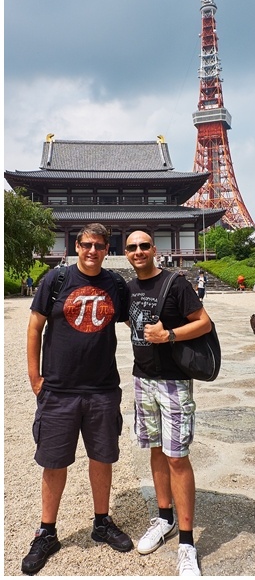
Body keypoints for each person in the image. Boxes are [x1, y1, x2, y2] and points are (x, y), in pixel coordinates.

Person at [23, 223, 133, 575]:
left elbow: (138, 323)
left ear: (107, 249)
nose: (92, 251)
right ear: (76, 246)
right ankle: (47, 531)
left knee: (102, 457)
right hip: (59, 388)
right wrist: (34, 376)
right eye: (86, 244)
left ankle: (101, 522)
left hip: (102, 388)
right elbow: (35, 326)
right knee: (53, 461)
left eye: (99, 246)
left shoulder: (115, 284)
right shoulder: (56, 280)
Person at [124, 231, 212, 576]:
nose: (138, 251)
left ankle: (187, 543)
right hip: (141, 379)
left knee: (177, 457)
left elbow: (204, 323)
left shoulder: (175, 283)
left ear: (154, 250)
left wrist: (169, 335)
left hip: (174, 381)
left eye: (144, 245)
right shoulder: (128, 289)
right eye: (132, 247)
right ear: (126, 253)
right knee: (156, 450)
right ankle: (164, 519)